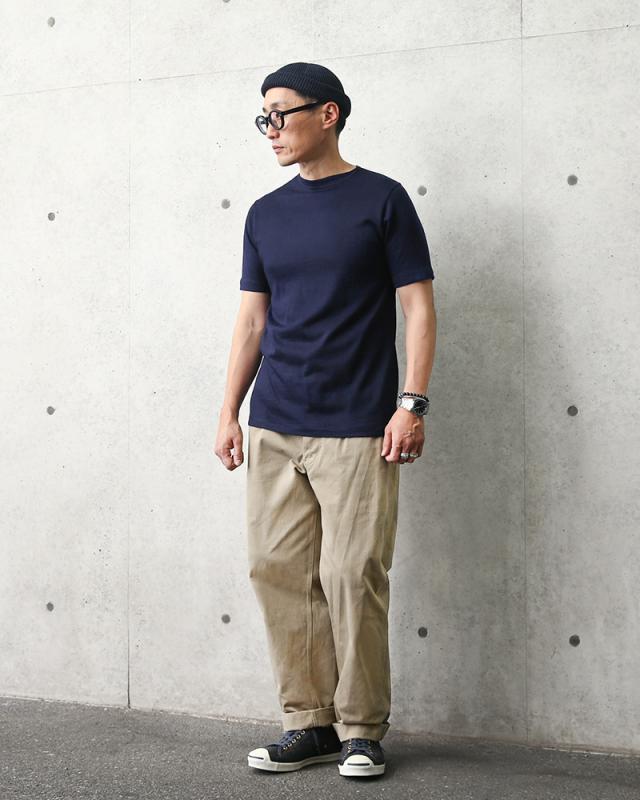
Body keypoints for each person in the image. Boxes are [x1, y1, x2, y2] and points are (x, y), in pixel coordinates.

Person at [215, 61, 437, 779]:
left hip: (359, 424)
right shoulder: (264, 213)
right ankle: (307, 722)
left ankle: (362, 730)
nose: (270, 129)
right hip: (275, 422)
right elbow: (252, 323)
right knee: (277, 570)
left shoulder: (382, 199)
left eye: (281, 114)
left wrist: (411, 402)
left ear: (328, 114)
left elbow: (418, 308)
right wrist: (229, 412)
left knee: (351, 574)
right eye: (264, 117)